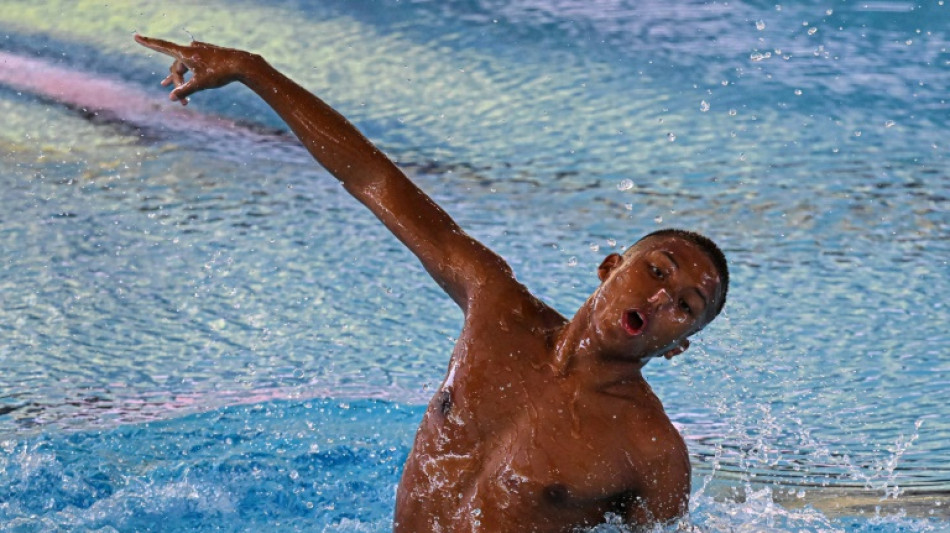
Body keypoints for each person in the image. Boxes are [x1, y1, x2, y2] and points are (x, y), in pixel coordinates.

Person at [134, 35, 729, 532]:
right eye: (656, 271)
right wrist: (253, 70)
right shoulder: (494, 304)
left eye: (684, 306)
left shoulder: (649, 451)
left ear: (678, 344)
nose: (658, 298)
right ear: (610, 268)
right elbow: (372, 178)